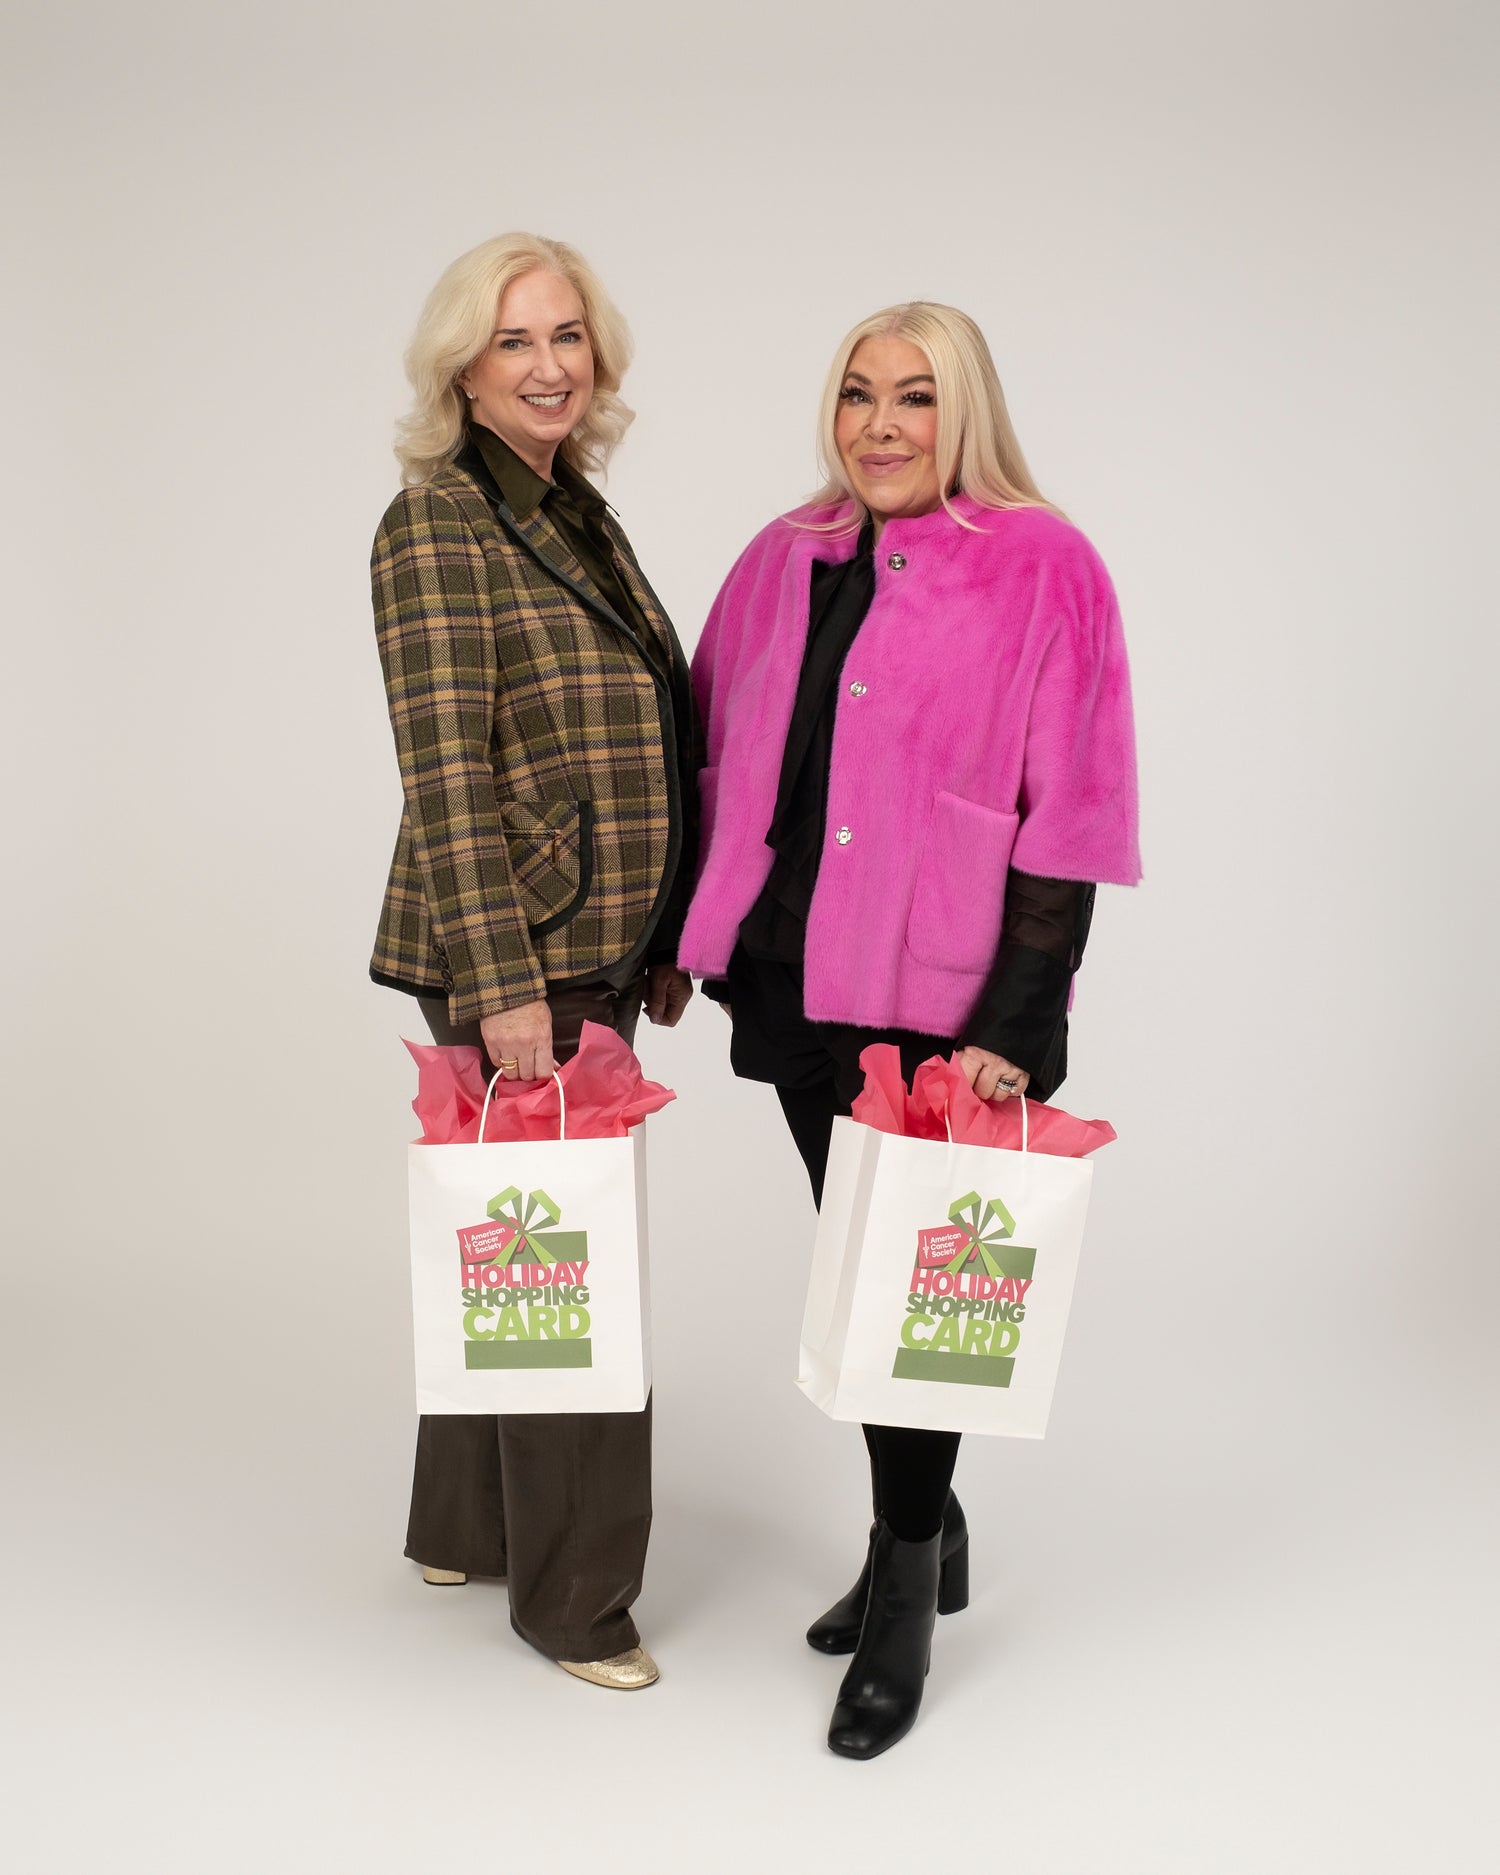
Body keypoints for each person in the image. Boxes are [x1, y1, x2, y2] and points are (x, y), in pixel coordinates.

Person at [677, 301, 1140, 1756]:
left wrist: (1021, 1012)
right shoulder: (780, 557)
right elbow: (707, 743)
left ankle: (898, 1592)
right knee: (857, 1259)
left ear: (967, 414)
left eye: (916, 399)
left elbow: (1076, 805)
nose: (881, 424)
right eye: (860, 395)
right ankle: (924, 1534)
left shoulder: (1046, 566)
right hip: (791, 967)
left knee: (902, 1299)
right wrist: (673, 930)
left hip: (939, 989)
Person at [369, 233, 698, 1690]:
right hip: (522, 955)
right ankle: (574, 1601)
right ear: (463, 367)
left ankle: (466, 1527)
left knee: (517, 1237)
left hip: (593, 947)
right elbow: (446, 769)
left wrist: (666, 932)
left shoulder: (573, 510)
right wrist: (503, 980)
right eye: (515, 342)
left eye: (569, 337)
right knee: (569, 1272)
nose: (551, 364)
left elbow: (634, 731)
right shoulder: (436, 522)